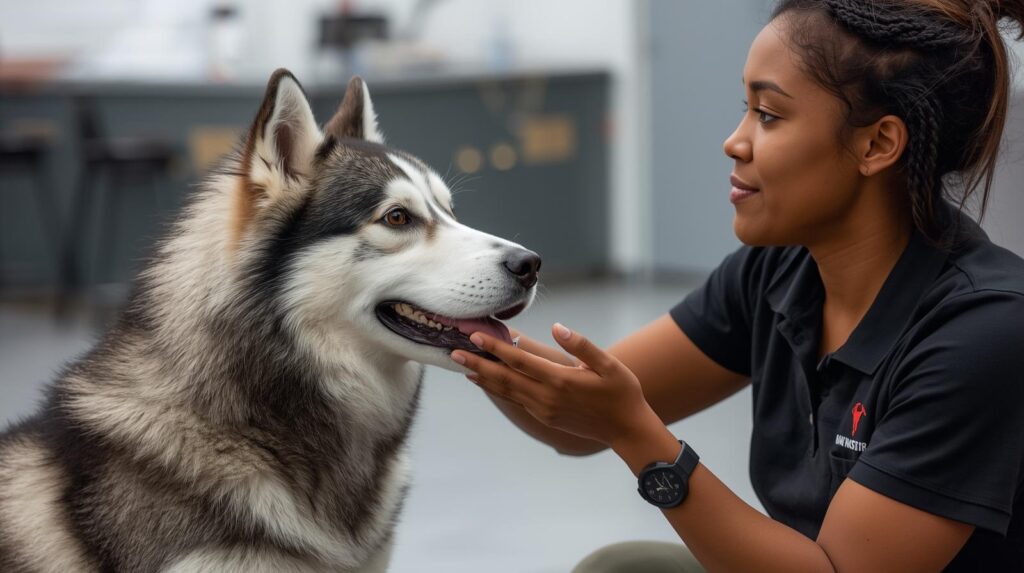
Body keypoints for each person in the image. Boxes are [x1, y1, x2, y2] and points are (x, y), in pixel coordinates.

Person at [449, 1, 1024, 571]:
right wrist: (448, 321)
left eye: (768, 115)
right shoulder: (779, 272)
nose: (735, 141)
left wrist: (638, 435)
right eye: (744, 109)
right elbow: (572, 414)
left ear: (876, 145)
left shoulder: (984, 330)